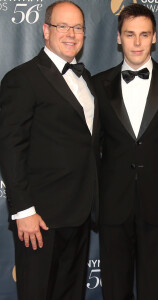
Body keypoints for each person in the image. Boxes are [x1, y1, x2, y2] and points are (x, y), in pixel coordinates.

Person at [92, 4, 158, 300]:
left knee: (155, 288)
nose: (137, 42)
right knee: (114, 289)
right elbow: (92, 148)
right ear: (118, 38)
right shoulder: (98, 84)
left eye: (144, 34)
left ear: (154, 37)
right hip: (113, 203)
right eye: (130, 34)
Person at [0, 1, 100, 299]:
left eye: (78, 27)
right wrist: (23, 210)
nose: (71, 34)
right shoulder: (22, 78)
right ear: (46, 30)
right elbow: (10, 147)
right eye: (63, 26)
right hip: (40, 218)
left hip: (80, 213)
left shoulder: (86, 79)